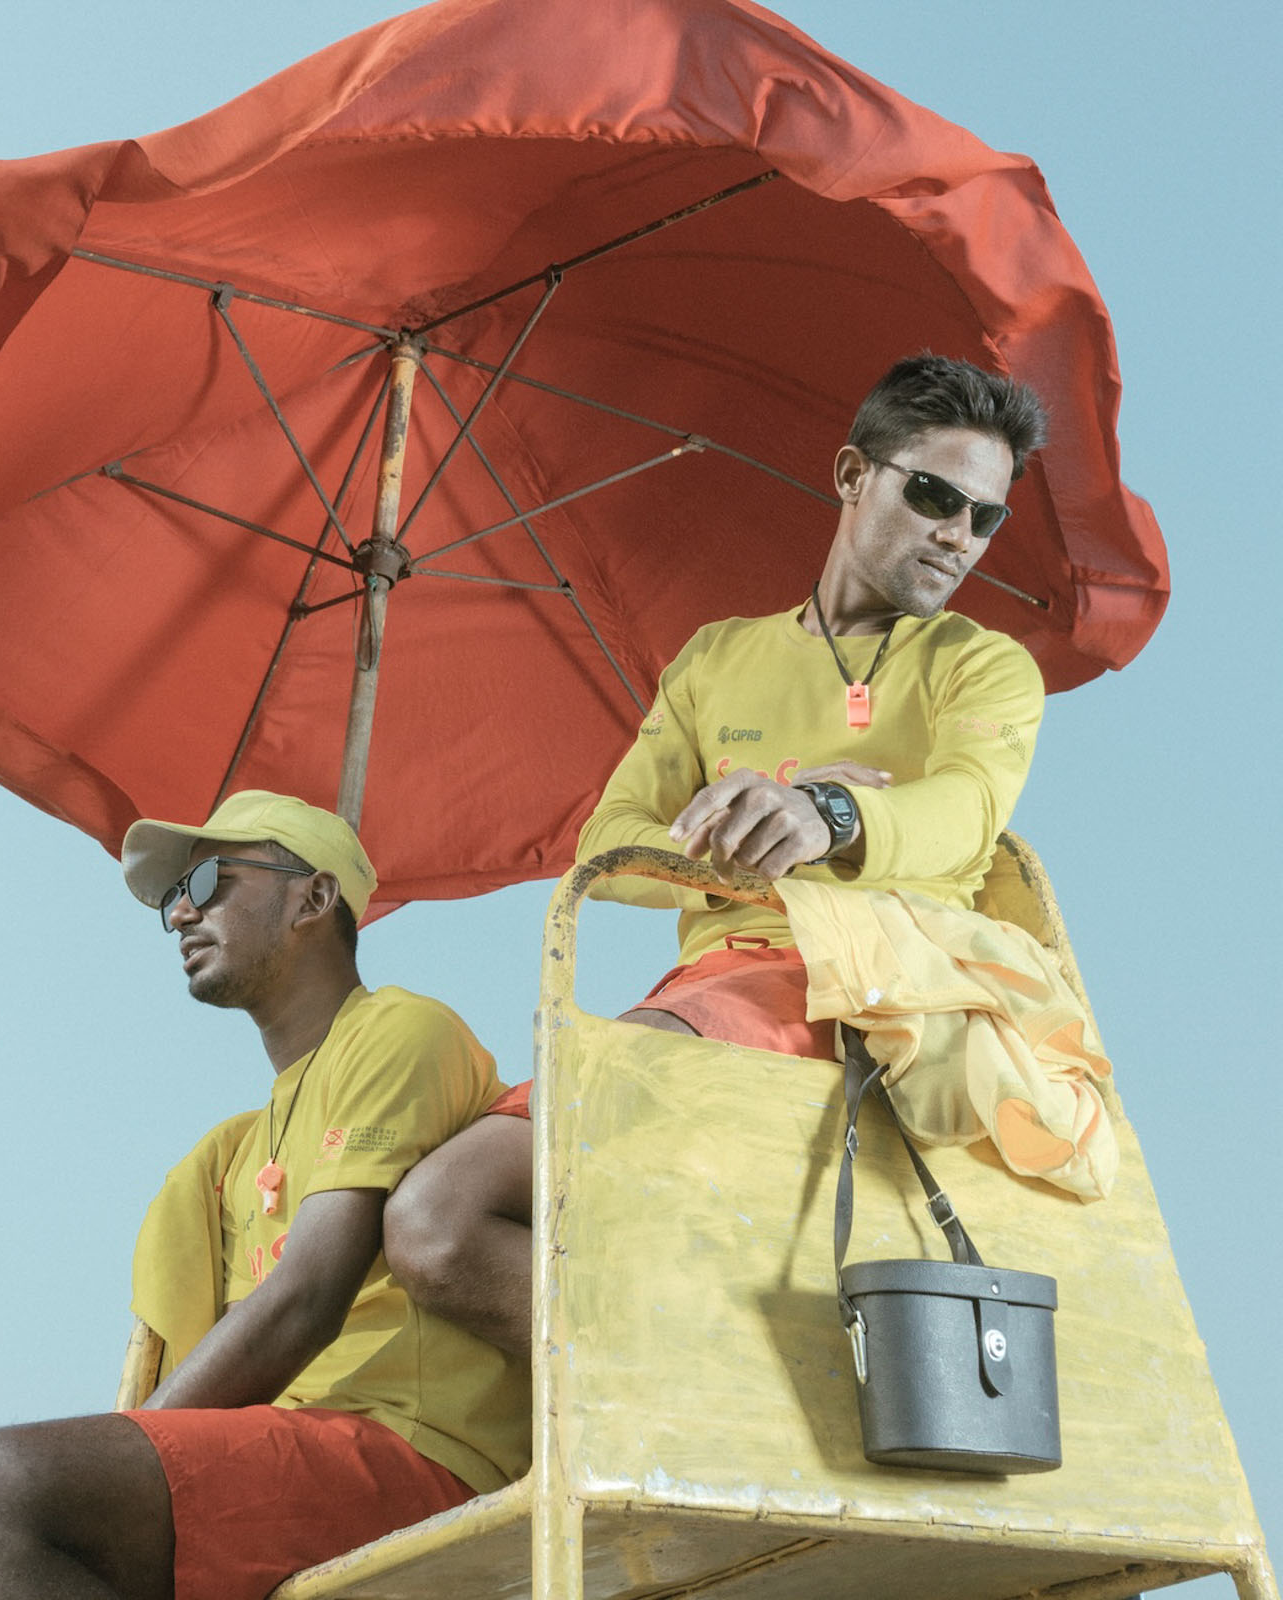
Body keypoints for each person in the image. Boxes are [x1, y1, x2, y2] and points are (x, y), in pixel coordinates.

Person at [382, 352, 1051, 1357]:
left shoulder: (983, 666)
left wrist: (827, 813)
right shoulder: (714, 658)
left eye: (983, 516)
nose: (956, 534)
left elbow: (967, 807)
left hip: (868, 994)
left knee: (440, 1217)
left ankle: (664, 1393)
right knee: (410, 1206)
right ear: (850, 475)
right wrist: (728, 846)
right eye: (931, 494)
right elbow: (606, 847)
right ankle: (668, 1376)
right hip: (709, 991)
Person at [0, 790, 529, 1600]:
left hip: (412, 1449)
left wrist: (133, 1445)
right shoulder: (234, 1149)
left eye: (210, 880)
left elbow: (306, 1299)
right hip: (281, 1449)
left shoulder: (397, 1030)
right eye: (173, 898)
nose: (181, 913)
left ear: (314, 898)